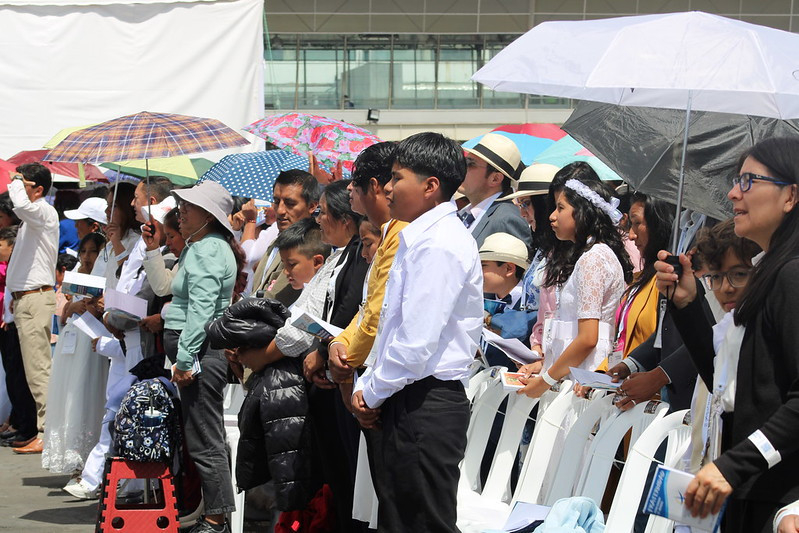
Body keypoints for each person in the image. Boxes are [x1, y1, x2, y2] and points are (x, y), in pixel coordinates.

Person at [654, 137, 799, 533]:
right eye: (737, 180)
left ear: (790, 196)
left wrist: (734, 465)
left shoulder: (791, 275)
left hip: (778, 498)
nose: (734, 192)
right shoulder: (770, 270)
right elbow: (729, 384)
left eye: (749, 181)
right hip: (748, 489)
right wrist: (687, 303)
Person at [352, 132, 483, 533]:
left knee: (423, 523)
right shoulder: (421, 237)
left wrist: (370, 392)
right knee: (400, 519)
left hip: (426, 402)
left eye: (397, 178)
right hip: (408, 397)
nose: (388, 188)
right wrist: (372, 387)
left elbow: (415, 343)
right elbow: (395, 328)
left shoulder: (439, 244)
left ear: (430, 187)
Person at [164, 180, 244, 533]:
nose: (180, 212)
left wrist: (184, 359)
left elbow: (201, 309)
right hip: (199, 348)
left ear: (209, 216)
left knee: (204, 436)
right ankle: (214, 513)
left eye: (188, 207)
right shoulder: (203, 246)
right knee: (202, 433)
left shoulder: (207, 248)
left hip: (199, 351)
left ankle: (216, 518)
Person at [517, 174, 632, 398]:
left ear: (582, 212)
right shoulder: (589, 255)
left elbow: (588, 338)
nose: (552, 216)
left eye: (560, 208)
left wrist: (545, 381)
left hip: (584, 373)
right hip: (570, 370)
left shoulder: (594, 258)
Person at [43, 232, 109, 476]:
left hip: (91, 342)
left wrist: (89, 306)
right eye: (84, 251)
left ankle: (88, 460)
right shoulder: (75, 276)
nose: (87, 256)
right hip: (71, 340)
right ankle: (72, 456)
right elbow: (63, 315)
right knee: (68, 393)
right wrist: (73, 306)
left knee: (86, 393)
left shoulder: (104, 274)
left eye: (93, 251)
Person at [6, 162, 59, 454]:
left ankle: (47, 432)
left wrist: (15, 181)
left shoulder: (42, 211)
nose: (16, 187)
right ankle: (43, 430)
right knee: (31, 371)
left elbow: (21, 206)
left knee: (38, 370)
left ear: (37, 190)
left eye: (23, 183)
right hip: (27, 299)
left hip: (35, 299)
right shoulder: (34, 216)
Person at [251, 170, 320, 306]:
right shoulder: (276, 242)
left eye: (290, 203)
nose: (280, 210)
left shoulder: (309, 245)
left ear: (312, 206)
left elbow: (275, 299)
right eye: (277, 201)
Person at [459, 132, 534, 249]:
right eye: (464, 162)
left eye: (470, 164)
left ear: (495, 179)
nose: (463, 168)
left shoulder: (507, 219)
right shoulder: (462, 214)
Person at [0, 226, 37, 449]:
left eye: (0, 245)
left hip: (18, 324)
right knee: (13, 378)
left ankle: (28, 428)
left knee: (22, 379)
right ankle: (19, 425)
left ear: (13, 246)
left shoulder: (19, 266)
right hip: (9, 323)